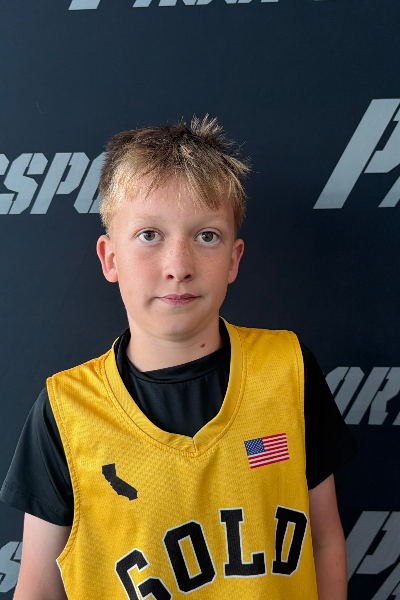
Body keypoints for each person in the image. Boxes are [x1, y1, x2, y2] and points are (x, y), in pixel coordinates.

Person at [1, 116, 356, 600]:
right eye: (150, 235)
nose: (178, 266)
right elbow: (39, 590)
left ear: (234, 259)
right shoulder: (66, 412)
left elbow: (323, 540)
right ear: (110, 258)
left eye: (206, 236)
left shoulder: (287, 369)